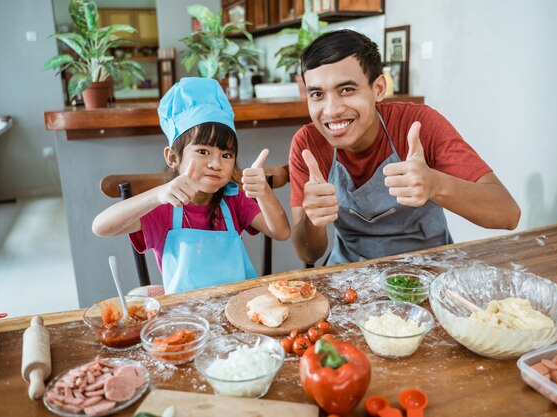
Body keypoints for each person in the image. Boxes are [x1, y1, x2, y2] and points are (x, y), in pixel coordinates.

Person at [289, 30, 520, 266]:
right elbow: (308, 255)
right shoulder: (308, 145)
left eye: (347, 90)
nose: (331, 110)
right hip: (350, 277)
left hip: (429, 268)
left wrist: (435, 184)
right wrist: (313, 220)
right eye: (317, 94)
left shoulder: (418, 124)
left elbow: (508, 214)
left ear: (378, 89)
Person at [93, 78, 290, 293]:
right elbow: (101, 227)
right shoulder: (163, 209)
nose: (216, 164)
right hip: (186, 320)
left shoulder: (234, 201)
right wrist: (157, 195)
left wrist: (264, 193)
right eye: (203, 151)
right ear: (173, 157)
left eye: (226, 155)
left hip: (239, 309)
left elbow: (281, 232)